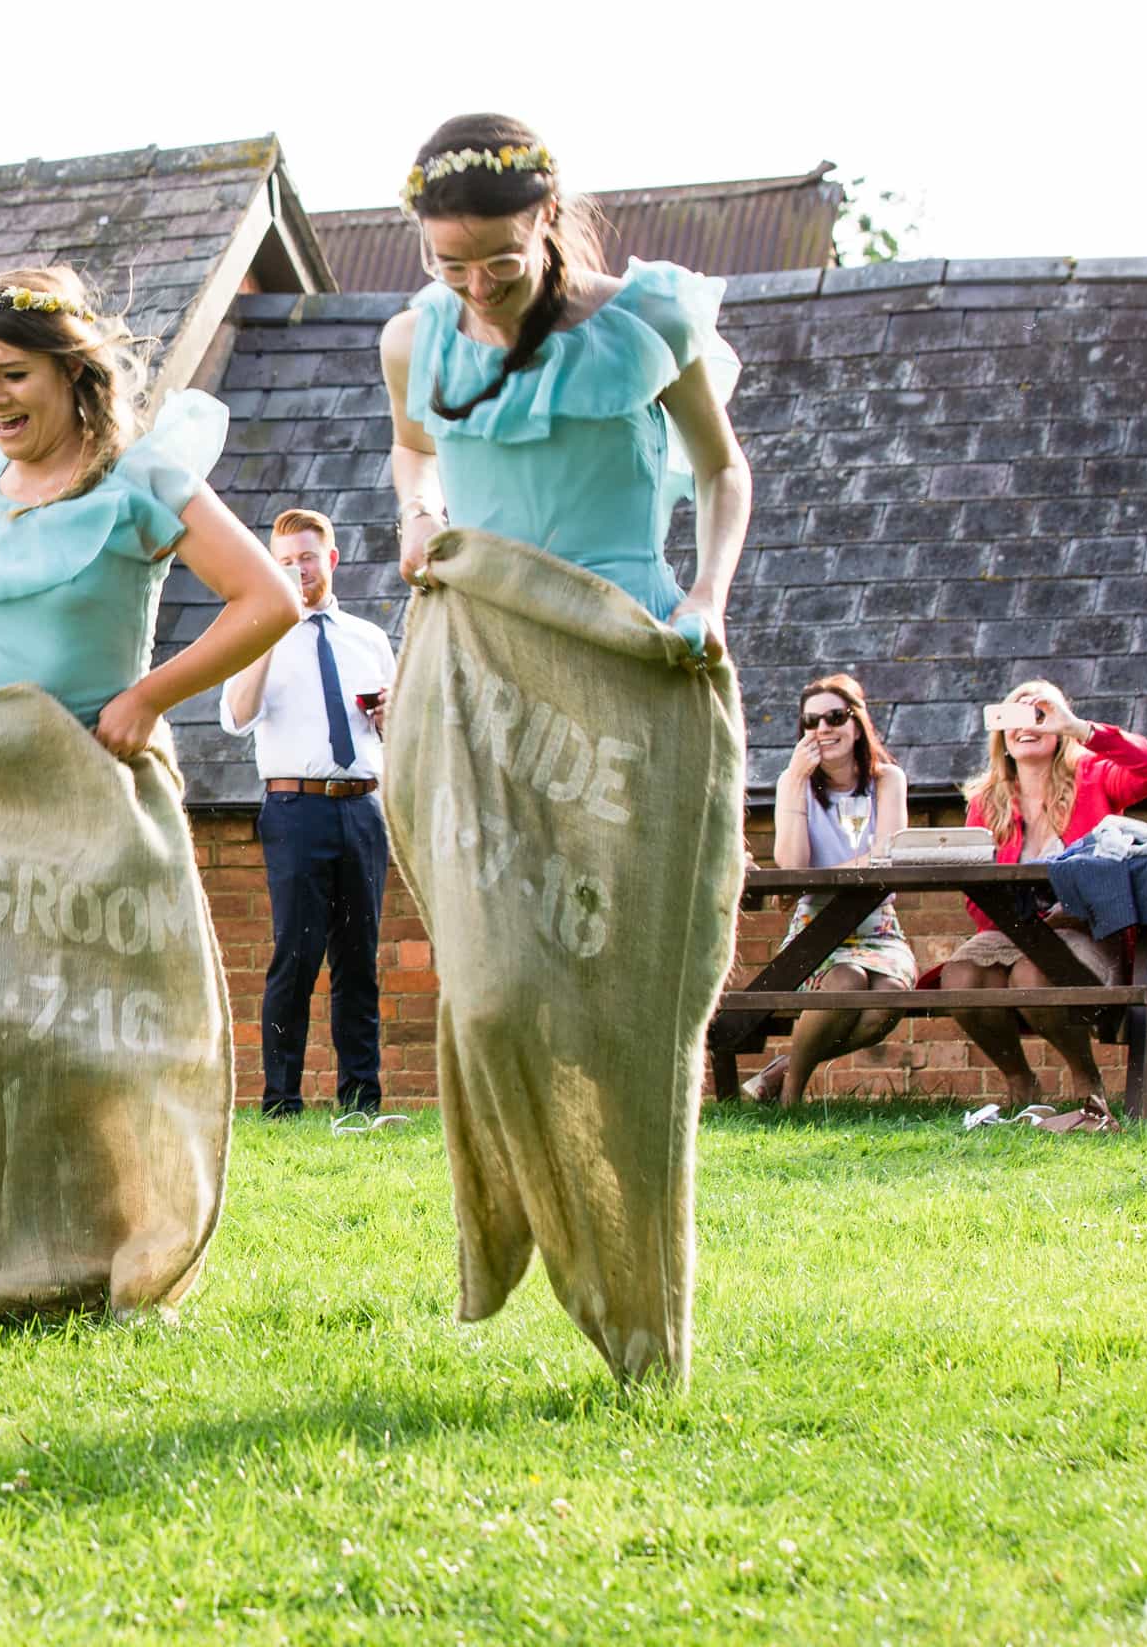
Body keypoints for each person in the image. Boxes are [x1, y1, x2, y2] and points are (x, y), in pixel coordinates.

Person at [379, 113, 753, 1385]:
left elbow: (723, 472)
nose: (473, 285)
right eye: (449, 265)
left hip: (621, 657)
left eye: (496, 258)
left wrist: (703, 600)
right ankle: (519, 1218)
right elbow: (413, 452)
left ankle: (639, 1295)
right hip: (480, 659)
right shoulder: (411, 339)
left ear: (546, 218)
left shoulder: (645, 323)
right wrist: (419, 518)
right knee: (490, 993)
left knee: (622, 992)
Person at [0, 266, 296, 1321]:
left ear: (72, 371)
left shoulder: (140, 483)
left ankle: (117, 1248)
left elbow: (268, 598)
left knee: (100, 1035)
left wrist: (150, 696)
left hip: (101, 791)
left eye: (12, 375)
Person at [219, 506, 396, 1117]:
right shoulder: (256, 634)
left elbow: (396, 725)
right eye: (285, 562)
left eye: (307, 559)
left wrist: (388, 717)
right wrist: (270, 629)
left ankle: (361, 1100)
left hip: (363, 809)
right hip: (295, 809)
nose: (298, 570)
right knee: (295, 957)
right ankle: (281, 1101)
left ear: (332, 560)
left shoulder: (368, 639)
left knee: (359, 959)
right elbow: (237, 716)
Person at [939, 682, 1147, 1109]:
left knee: (1035, 974)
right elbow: (976, 898)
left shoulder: (1095, 779)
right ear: (1001, 733)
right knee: (961, 978)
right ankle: (1020, 1081)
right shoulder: (985, 803)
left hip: (1085, 927)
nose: (1027, 725)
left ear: (1057, 725)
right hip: (1011, 929)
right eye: (1016, 716)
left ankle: (1086, 1077)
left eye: (1039, 715)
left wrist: (1080, 727)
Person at [742, 675, 914, 1106]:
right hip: (817, 926)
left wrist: (831, 874)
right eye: (811, 721)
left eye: (835, 717)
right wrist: (796, 779)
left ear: (856, 724)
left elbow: (890, 855)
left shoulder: (887, 780)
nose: (823, 729)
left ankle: (783, 1070)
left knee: (889, 1000)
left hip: (878, 925)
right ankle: (792, 1098)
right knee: (846, 981)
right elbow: (793, 864)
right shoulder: (792, 783)